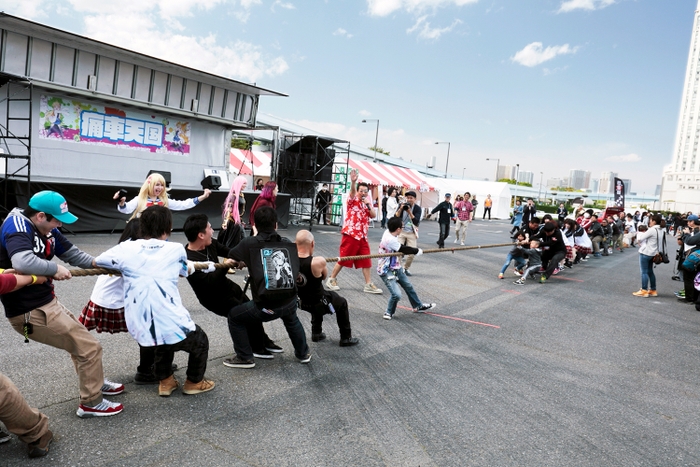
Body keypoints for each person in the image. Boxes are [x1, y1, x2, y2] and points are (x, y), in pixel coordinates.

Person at [0, 191, 124, 417]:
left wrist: (101, 264)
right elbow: (21, 261)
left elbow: (71, 253)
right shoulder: (17, 226)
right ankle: (91, 403)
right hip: (29, 311)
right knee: (89, 347)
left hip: (47, 302)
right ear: (40, 216)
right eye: (56, 220)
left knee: (83, 345)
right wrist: (54, 269)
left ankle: (93, 380)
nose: (58, 225)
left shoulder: (48, 229)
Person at [94, 206, 216, 397]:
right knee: (199, 341)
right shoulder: (175, 249)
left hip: (140, 325)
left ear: (142, 227)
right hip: (170, 320)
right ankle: (194, 381)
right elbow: (185, 270)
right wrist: (206, 266)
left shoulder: (126, 248)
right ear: (168, 227)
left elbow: (98, 261)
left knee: (163, 340)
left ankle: (166, 382)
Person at [79, 219, 169, 385]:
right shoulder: (134, 250)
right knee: (152, 329)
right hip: (114, 302)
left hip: (107, 298)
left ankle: (157, 363)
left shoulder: (125, 246)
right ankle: (146, 371)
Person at [183, 213, 282, 359]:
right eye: (210, 228)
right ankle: (255, 349)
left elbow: (230, 251)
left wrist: (241, 258)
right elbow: (211, 282)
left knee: (251, 309)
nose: (212, 231)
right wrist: (226, 265)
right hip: (213, 297)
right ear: (201, 235)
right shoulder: (188, 261)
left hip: (227, 287)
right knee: (242, 316)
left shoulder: (211, 244)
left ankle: (263, 341)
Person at [223, 206, 310, 368]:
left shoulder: (249, 243)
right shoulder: (286, 243)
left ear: (255, 224)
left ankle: (244, 357)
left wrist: (244, 260)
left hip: (266, 306)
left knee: (235, 316)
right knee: (292, 319)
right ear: (275, 225)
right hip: (290, 301)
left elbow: (232, 255)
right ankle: (303, 353)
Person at [0, 272, 53, 458]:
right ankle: (35, 432)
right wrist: (32, 278)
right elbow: (2, 282)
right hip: (25, 311)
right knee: (2, 391)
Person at [295, 230, 359, 346]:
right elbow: (324, 277)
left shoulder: (289, 259)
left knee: (318, 295)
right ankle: (346, 338)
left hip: (301, 302)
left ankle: (316, 333)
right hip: (318, 302)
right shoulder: (317, 262)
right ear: (312, 244)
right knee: (341, 303)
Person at [325, 169, 383, 294]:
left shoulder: (366, 203)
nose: (363, 193)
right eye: (361, 191)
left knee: (366, 260)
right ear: (357, 191)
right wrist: (353, 182)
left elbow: (373, 215)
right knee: (345, 257)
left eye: (365, 192)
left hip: (362, 236)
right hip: (351, 234)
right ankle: (331, 279)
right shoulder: (352, 200)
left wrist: (368, 204)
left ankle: (368, 284)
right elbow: (351, 192)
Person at [377, 217, 436, 320]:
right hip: (386, 270)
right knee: (396, 294)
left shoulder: (389, 231)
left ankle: (417, 306)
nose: (403, 229)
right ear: (398, 229)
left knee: (408, 286)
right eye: (402, 227)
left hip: (396, 267)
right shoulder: (390, 239)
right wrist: (417, 251)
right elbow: (403, 249)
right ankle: (388, 312)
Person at [114, 172, 210, 220]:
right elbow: (126, 210)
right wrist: (122, 203)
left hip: (160, 233)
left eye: (162, 185)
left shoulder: (164, 201)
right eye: (157, 185)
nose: (160, 188)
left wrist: (202, 197)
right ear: (150, 185)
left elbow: (183, 204)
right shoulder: (140, 199)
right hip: (143, 234)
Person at [633, 214, 665, 297]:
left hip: (646, 252)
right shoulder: (662, 230)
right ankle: (653, 290)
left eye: (650, 220)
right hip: (655, 253)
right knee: (650, 271)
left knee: (644, 272)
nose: (649, 222)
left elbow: (641, 238)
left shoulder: (652, 230)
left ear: (654, 221)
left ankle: (644, 290)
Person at [395, 190, 423, 275]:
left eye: (411, 198)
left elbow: (416, 222)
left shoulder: (417, 208)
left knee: (412, 253)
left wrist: (409, 212)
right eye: (407, 198)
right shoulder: (402, 205)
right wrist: (400, 208)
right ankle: (398, 269)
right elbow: (395, 217)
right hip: (402, 231)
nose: (409, 199)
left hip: (411, 232)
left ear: (415, 199)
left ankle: (406, 268)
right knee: (398, 251)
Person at [219, 175, 248, 249]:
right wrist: (225, 222)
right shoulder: (233, 196)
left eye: (245, 183)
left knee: (241, 240)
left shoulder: (241, 195)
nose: (245, 185)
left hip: (238, 221)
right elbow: (228, 209)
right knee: (233, 242)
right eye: (243, 183)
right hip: (233, 222)